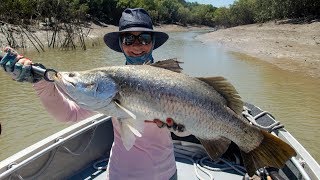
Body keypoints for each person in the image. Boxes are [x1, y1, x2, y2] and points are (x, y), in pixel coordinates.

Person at [0, 8, 180, 179]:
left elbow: (186, 128)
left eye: (144, 38)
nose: (137, 46)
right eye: (128, 40)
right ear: (120, 44)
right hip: (121, 175)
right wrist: (40, 82)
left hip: (168, 173)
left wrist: (177, 126)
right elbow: (70, 113)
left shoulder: (174, 81)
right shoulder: (107, 85)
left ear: (153, 42)